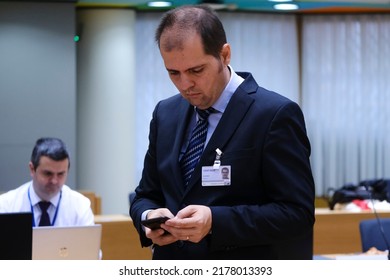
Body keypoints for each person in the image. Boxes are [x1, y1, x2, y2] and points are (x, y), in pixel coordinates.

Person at [130, 5, 315, 260]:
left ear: (225, 55)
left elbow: (297, 214)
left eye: (196, 70)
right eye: (174, 73)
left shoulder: (274, 114)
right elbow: (146, 195)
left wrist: (215, 221)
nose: (185, 85)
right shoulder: (165, 113)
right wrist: (148, 217)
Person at [0, 137, 94, 227]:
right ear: (32, 169)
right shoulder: (6, 206)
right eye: (48, 173)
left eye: (61, 174)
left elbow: (89, 243)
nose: (54, 181)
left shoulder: (81, 206)